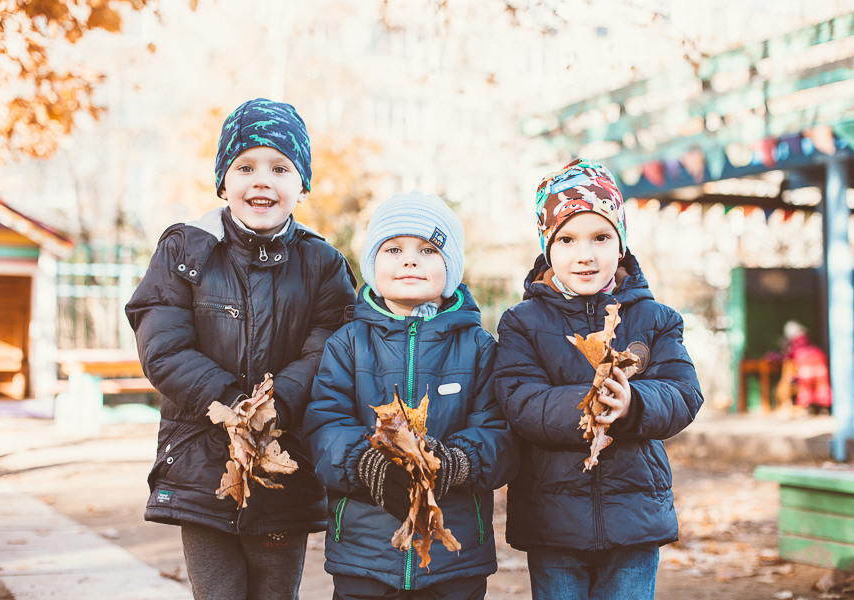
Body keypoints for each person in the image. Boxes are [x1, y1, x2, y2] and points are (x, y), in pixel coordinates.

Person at [125, 98, 357, 600]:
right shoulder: (186, 251)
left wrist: (279, 404)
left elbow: (330, 347)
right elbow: (162, 343)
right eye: (245, 166)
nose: (261, 180)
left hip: (284, 460)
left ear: (302, 184)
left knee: (275, 591)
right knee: (218, 591)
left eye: (280, 168)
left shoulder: (322, 264)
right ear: (223, 180)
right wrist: (231, 402)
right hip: (202, 462)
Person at [493, 159, 704, 600]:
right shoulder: (521, 323)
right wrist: (590, 402)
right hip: (552, 516)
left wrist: (634, 403)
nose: (584, 254)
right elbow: (520, 399)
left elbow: (682, 392)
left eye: (601, 237)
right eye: (566, 239)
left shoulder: (656, 319)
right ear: (546, 246)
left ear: (621, 244)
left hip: (635, 514)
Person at [301, 190, 518, 600]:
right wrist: (367, 463)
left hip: (453, 556)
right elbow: (324, 425)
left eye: (428, 249)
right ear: (372, 262)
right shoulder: (348, 343)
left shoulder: (478, 347)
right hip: (366, 554)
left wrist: (453, 461)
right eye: (394, 248)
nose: (409, 259)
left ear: (450, 266)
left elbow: (500, 434)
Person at [781, 320, 831, 415]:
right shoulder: (807, 338)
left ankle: (809, 406)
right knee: (821, 384)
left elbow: (791, 353)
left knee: (806, 386)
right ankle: (823, 406)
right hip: (819, 358)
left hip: (805, 362)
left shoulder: (794, 342)